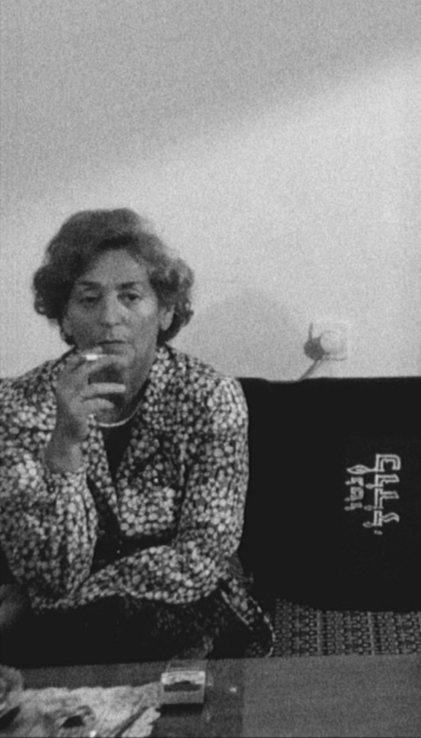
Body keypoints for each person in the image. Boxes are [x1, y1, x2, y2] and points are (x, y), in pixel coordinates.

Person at [0, 208, 271, 665]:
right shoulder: (18, 404)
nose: (110, 318)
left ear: (164, 311)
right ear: (64, 317)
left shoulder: (210, 396)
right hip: (68, 627)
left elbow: (202, 558)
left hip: (182, 608)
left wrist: (57, 604)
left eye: (130, 297)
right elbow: (51, 575)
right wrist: (64, 445)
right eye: (88, 299)